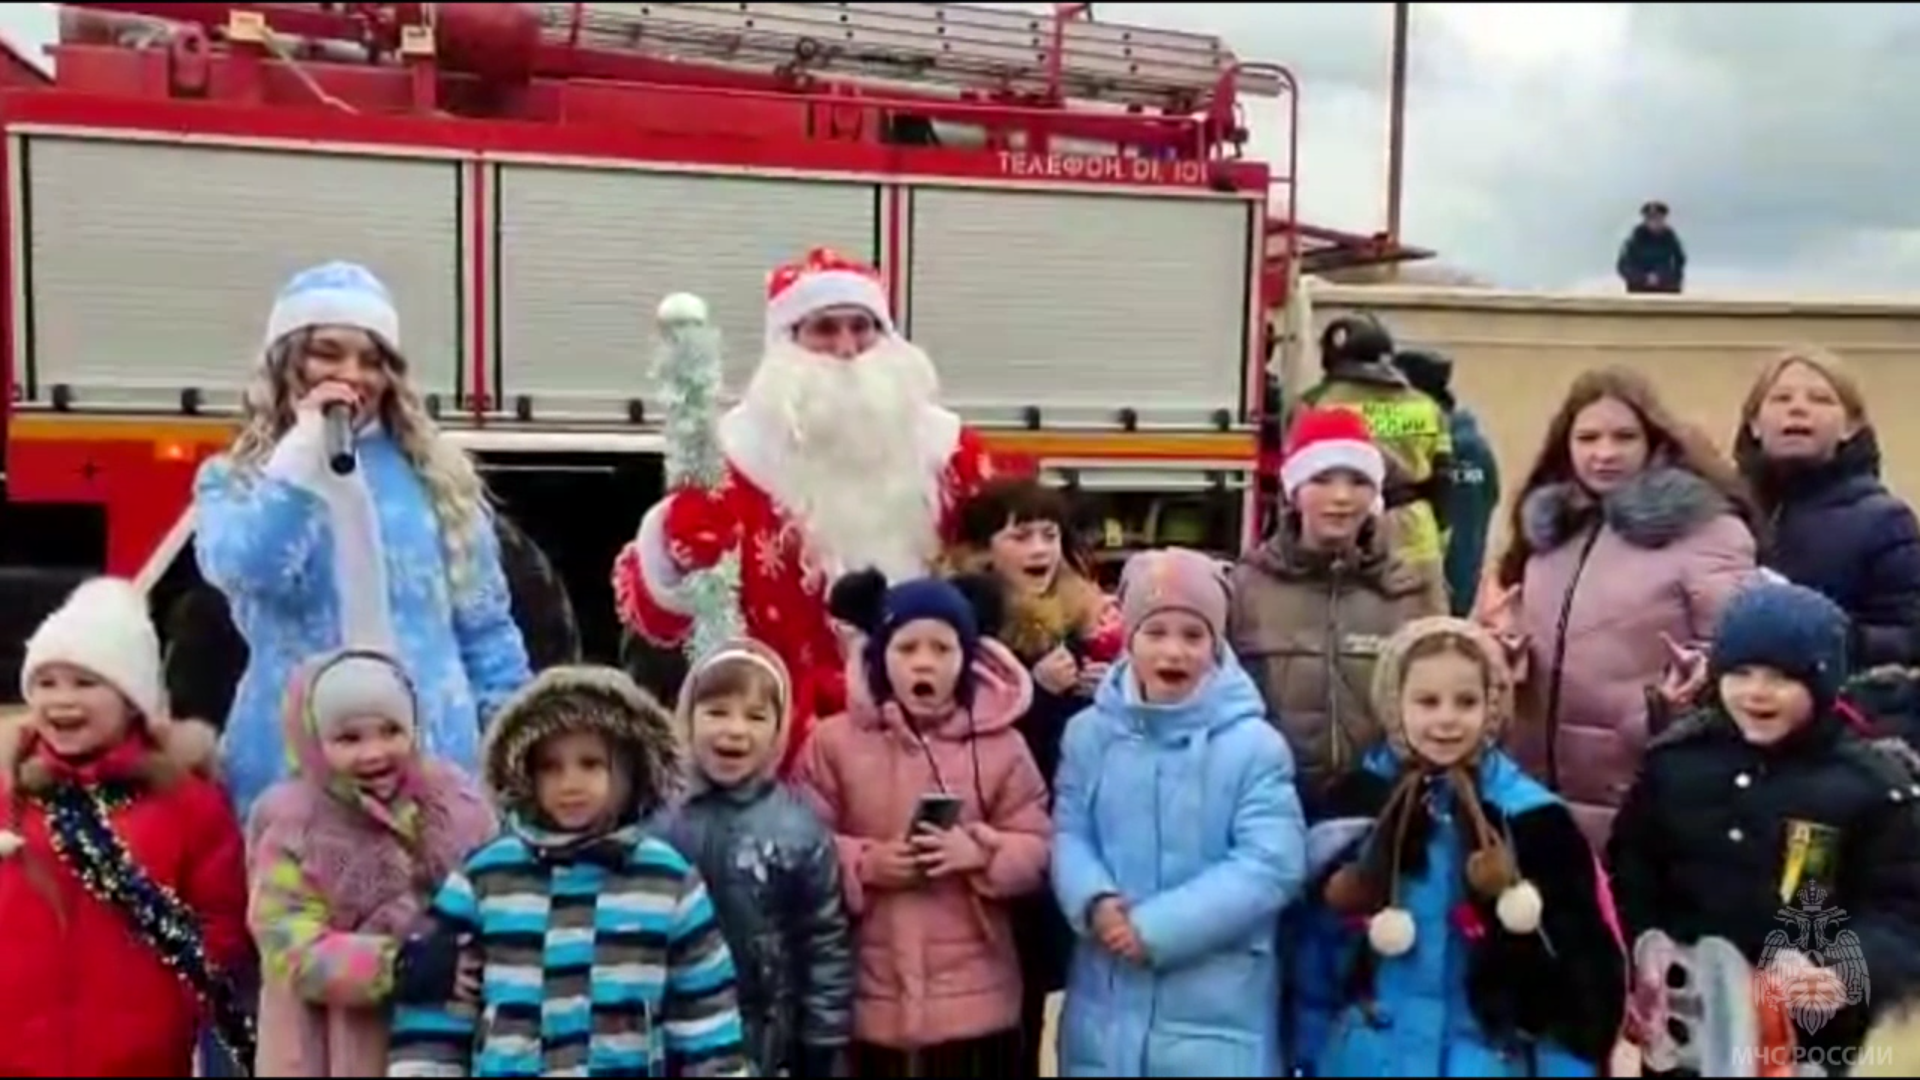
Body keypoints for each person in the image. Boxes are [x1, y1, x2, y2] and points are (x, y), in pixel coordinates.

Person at [614, 248, 1001, 772]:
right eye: (824, 329)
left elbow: (1017, 580)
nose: (846, 349)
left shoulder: (950, 453)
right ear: (786, 342)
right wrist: (672, 547)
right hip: (781, 749)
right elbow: (661, 622)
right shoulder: (734, 459)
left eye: (861, 328)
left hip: (929, 744)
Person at [192, 261, 531, 819]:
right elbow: (248, 567)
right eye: (328, 352)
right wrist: (302, 458)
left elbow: (486, 631)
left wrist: (516, 744)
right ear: (287, 358)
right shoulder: (236, 479)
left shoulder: (435, 477)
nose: (352, 373)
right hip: (289, 773)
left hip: (433, 768)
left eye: (372, 360)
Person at [1609, 582, 1920, 1066]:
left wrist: (1840, 969)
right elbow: (1631, 874)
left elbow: (1899, 912)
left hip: (1805, 1039)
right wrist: (1638, 959)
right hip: (1686, 1022)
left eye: (1780, 678)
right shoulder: (1676, 764)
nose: (1756, 692)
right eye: (1742, 672)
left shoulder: (1871, 788)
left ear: (1822, 683)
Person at [387, 665, 751, 1077]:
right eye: (550, 767)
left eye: (590, 764)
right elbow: (435, 1011)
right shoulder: (485, 878)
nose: (570, 783)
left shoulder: (668, 881)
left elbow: (706, 1015)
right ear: (525, 772)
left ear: (628, 768)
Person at [1309, 616, 1627, 1077]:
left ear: (1491, 707)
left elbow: (1581, 965)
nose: (1446, 720)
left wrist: (1569, 1063)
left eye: (1465, 702)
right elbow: (1315, 949)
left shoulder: (1533, 819)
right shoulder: (1358, 808)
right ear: (1396, 705)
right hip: (1367, 1056)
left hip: (1489, 1060)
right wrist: (1310, 1048)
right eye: (1427, 701)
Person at [1052, 547, 1307, 1077]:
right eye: (1156, 632)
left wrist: (1157, 928)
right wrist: (1094, 899)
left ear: (1216, 646)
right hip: (1105, 1000)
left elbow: (1270, 864)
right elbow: (1069, 831)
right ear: (1129, 639)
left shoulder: (1254, 746)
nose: (1174, 651)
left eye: (1193, 636)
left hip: (1217, 1010)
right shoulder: (1088, 736)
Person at [1482, 366, 1759, 848]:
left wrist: (1681, 695)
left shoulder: (1707, 532)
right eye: (1587, 437)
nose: (1604, 453)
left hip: (1645, 790)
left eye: (1623, 437)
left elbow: (1742, 651)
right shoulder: (1547, 534)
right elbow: (1498, 627)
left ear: (1654, 442)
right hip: (1529, 795)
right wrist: (1497, 647)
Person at [797, 569, 1051, 1075]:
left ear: (967, 658)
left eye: (942, 649)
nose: (924, 663)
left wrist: (981, 852)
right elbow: (801, 845)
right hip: (869, 995)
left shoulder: (1002, 746)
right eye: (907, 648)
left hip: (976, 999)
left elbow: (1040, 848)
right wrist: (865, 863)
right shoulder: (833, 743)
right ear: (879, 657)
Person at [0, 578, 252, 1077]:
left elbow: (222, 917)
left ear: (132, 699)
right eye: (46, 683)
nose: (62, 699)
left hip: (140, 1057)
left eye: (85, 683)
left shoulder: (186, 802)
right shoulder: (9, 794)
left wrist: (173, 1003)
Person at [246, 649, 498, 1076]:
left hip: (443, 1038)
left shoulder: (455, 803)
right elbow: (287, 942)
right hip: (329, 1046)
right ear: (314, 740)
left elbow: (495, 887)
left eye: (390, 731)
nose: (373, 753)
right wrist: (394, 965)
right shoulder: (292, 822)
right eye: (349, 739)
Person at [943, 476, 1121, 1073]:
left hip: (1059, 833)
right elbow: (962, 734)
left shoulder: (1083, 616)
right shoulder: (965, 619)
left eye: (1048, 533)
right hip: (990, 837)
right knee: (997, 995)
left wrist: (1101, 694)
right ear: (985, 548)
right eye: (1021, 535)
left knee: (1044, 986)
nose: (1040, 549)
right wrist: (1038, 692)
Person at [1230, 406, 1449, 819]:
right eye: (1322, 479)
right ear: (1294, 491)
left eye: (1358, 481)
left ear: (1376, 495)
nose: (1342, 497)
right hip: (1271, 809)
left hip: (1383, 812)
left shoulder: (1411, 589)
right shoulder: (1247, 586)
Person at [659, 640, 854, 1077]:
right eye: (716, 712)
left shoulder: (797, 829)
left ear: (779, 730)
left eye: (755, 716)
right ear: (688, 718)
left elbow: (823, 941)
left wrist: (824, 1038)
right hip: (668, 1028)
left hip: (764, 1036)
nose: (734, 730)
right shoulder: (657, 820)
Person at [1735, 347, 1920, 669]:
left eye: (1820, 399)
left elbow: (1909, 637)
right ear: (1754, 424)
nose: (1798, 409)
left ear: (1850, 427)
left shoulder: (1885, 521)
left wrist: (1829, 634)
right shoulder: (1726, 511)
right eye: (1781, 398)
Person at [1299, 312, 1454, 573]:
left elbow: (1296, 478)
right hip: (1415, 540)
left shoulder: (1316, 404)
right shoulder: (1426, 406)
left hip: (1342, 537)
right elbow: (1444, 480)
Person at [1393, 348, 1501, 615]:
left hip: (1434, 604)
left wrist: (1448, 605)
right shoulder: (1470, 447)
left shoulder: (1459, 450)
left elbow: (1463, 537)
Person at [1616, 200, 1687, 295]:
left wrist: (1663, 278)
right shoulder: (1635, 238)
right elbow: (1622, 265)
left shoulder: (1670, 238)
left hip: (1666, 288)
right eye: (1651, 218)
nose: (1655, 222)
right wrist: (1643, 278)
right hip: (1639, 289)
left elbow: (1679, 263)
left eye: (1658, 218)